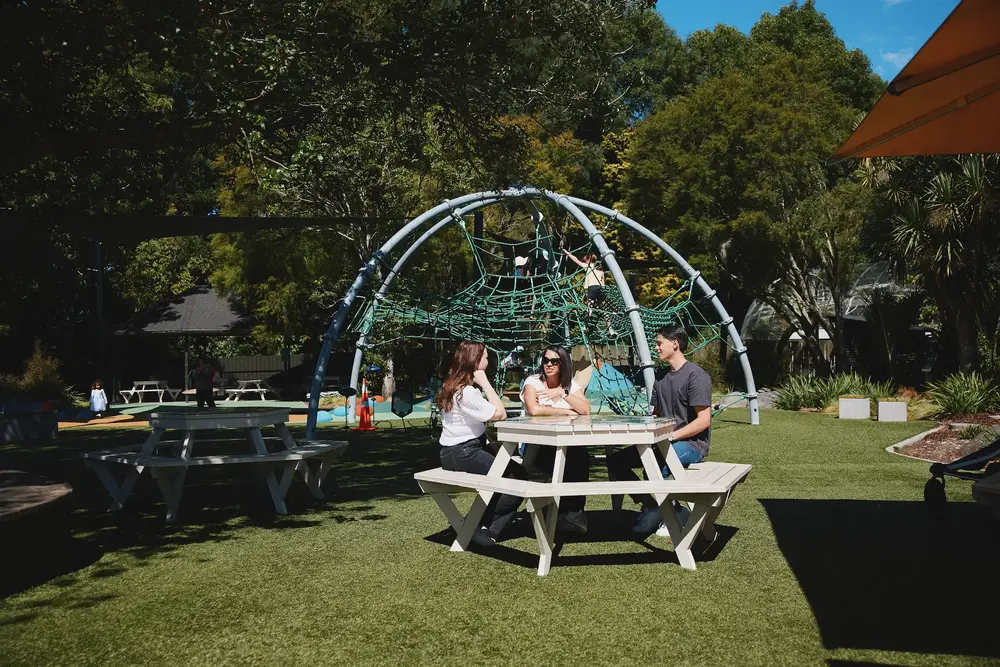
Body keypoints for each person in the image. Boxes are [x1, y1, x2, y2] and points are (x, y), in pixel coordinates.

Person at [608, 325, 712, 536]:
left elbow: (704, 421)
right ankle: (654, 507)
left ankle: (672, 515)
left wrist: (672, 436)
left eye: (659, 343)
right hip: (662, 442)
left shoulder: (696, 376)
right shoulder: (661, 377)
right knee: (616, 462)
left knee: (656, 464)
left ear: (675, 344)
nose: (656, 347)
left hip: (692, 445)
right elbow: (656, 416)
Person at [436, 341, 525, 547]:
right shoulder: (467, 392)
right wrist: (485, 383)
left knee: (510, 474)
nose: (488, 361)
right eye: (485, 357)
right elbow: (500, 414)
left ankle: (474, 525)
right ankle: (484, 529)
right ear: (476, 362)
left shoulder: (451, 384)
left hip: (452, 452)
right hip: (464, 451)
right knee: (516, 477)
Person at [520, 345, 591, 534]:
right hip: (535, 445)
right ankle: (564, 514)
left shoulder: (569, 385)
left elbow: (585, 410)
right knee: (570, 462)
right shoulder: (532, 381)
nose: (549, 365)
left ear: (563, 363)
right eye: (545, 360)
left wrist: (563, 394)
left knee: (581, 457)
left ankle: (573, 513)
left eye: (554, 361)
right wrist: (567, 410)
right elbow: (535, 410)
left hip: (565, 443)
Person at [563, 248, 615, 335]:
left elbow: (575, 260)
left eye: (585, 260)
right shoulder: (600, 270)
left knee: (589, 310)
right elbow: (603, 284)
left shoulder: (587, 267)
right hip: (600, 289)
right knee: (604, 311)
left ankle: (584, 326)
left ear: (588, 260)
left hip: (592, 289)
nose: (584, 261)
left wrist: (567, 253)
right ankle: (611, 330)